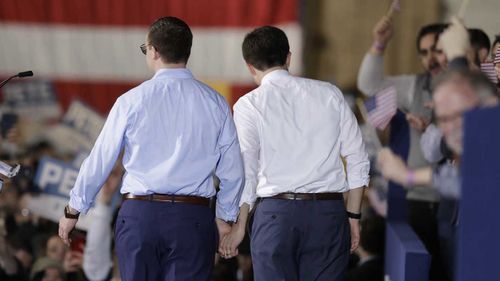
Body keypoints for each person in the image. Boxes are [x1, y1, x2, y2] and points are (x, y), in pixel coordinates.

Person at [58, 16, 244, 281]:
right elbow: (233, 171)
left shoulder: (130, 101)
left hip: (140, 217)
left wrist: (73, 209)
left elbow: (101, 159)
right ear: (186, 52)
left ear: (154, 51)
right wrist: (225, 217)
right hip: (192, 218)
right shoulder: (215, 102)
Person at [221, 26, 370, 281]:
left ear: (249, 66)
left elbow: (247, 170)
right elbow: (358, 158)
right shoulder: (330, 94)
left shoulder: (248, 105)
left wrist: (239, 227)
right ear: (289, 58)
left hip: (275, 216)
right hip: (328, 214)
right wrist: (354, 216)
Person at [357, 16, 447, 279]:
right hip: (418, 200)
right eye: (424, 52)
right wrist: (379, 44)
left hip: (456, 202)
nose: (430, 58)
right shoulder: (415, 86)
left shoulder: (468, 85)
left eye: (437, 50)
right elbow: (368, 85)